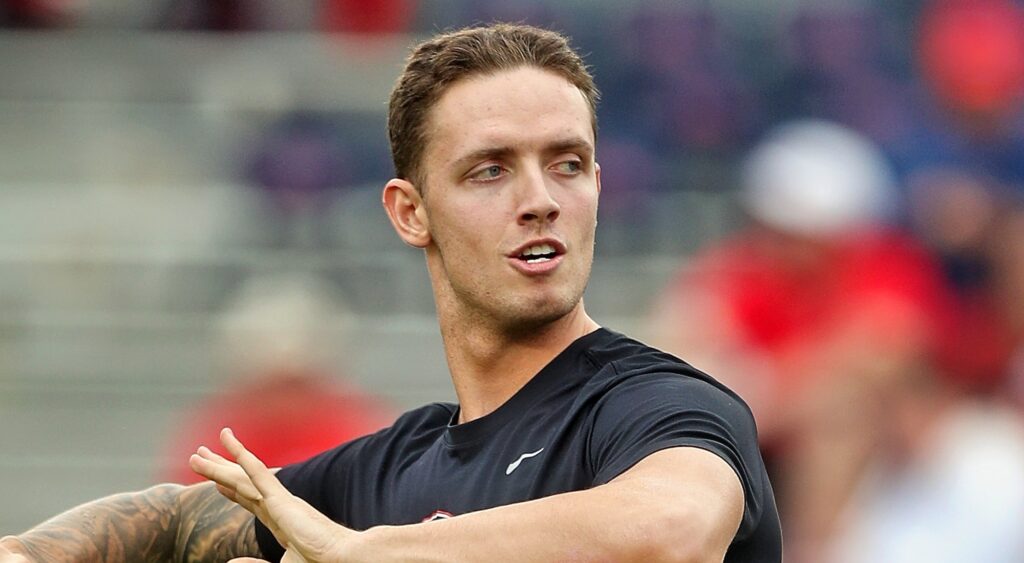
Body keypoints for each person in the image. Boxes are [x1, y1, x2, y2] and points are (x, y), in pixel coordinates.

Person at [0, 23, 781, 562]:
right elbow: (173, 523)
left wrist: (368, 551)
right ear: (411, 212)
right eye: (491, 169)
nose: (541, 198)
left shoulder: (655, 405)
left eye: (568, 163)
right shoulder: (385, 472)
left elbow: (670, 530)